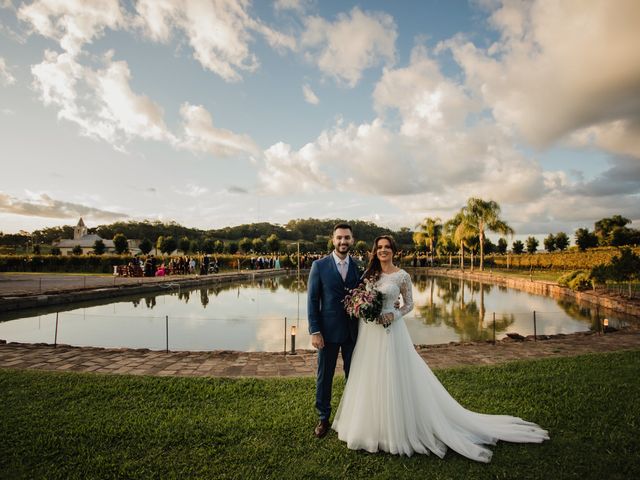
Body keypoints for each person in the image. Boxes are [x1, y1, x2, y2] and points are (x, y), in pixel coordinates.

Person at [332, 235, 549, 462]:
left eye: (387, 247)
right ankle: (368, 426)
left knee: (392, 375)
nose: (383, 251)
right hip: (370, 333)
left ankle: (393, 430)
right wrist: (363, 308)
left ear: (394, 251)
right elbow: (362, 299)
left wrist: (393, 314)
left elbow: (409, 305)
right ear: (374, 251)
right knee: (370, 376)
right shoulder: (369, 275)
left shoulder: (402, 276)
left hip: (390, 332)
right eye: (379, 248)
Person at [307, 223, 360, 439]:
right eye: (339, 238)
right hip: (327, 333)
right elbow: (312, 300)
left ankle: (352, 415)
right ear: (333, 239)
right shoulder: (319, 266)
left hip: (353, 332)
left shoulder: (359, 266)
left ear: (352, 240)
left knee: (354, 375)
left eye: (347, 238)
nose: (343, 242)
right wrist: (314, 330)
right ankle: (323, 418)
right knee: (324, 376)